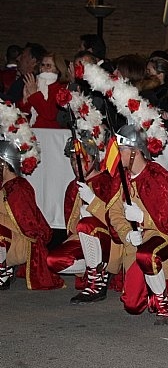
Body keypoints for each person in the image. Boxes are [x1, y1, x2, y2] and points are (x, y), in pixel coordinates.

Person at [109, 123, 168, 325]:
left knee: (147, 254)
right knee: (132, 305)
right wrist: (127, 233)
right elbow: (114, 214)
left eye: (122, 150)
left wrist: (142, 218)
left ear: (135, 153)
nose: (117, 154)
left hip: (163, 239)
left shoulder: (159, 177)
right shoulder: (122, 178)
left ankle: (162, 300)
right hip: (135, 243)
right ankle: (150, 285)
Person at [47, 134, 123, 303]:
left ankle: (97, 280)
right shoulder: (72, 187)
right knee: (53, 261)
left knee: (87, 224)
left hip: (109, 242)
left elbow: (116, 221)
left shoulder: (106, 181)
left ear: (93, 159)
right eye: (73, 159)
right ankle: (92, 270)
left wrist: (93, 203)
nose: (76, 164)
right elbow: (71, 227)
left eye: (81, 159)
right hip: (82, 238)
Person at [0, 105, 64, 290]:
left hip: (20, 242)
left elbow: (28, 225)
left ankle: (3, 270)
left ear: (5, 165)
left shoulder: (18, 188)